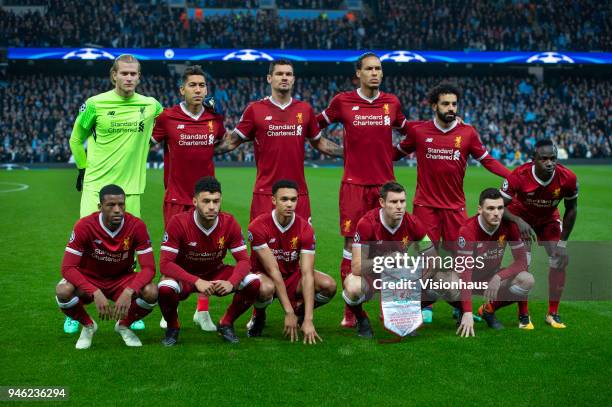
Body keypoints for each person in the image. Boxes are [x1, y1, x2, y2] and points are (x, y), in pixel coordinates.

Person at [393, 82, 510, 324]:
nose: (451, 108)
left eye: (454, 104)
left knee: (462, 258)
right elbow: (393, 154)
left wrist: (513, 176)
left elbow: (487, 160)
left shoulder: (468, 133)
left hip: (455, 208)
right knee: (428, 258)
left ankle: (460, 305)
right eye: (445, 103)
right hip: (426, 207)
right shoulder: (419, 131)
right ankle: (427, 305)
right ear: (434, 105)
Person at [66, 54, 162, 333]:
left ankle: (132, 313)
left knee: (129, 254)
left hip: (130, 191)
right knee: (86, 252)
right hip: (96, 188)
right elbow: (75, 138)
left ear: (139, 77)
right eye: (124, 73)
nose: (129, 78)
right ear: (114, 75)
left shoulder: (150, 105)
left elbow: (172, 123)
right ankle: (75, 310)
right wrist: (83, 169)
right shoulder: (95, 104)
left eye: (134, 74)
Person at [317, 52, 410, 328]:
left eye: (378, 69)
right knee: (351, 246)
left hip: (385, 188)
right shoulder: (342, 101)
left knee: (389, 248)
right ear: (357, 73)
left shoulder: (391, 103)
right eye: (369, 69)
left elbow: (410, 132)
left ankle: (387, 309)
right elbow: (312, 126)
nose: (375, 73)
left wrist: (396, 153)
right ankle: (350, 311)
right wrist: (337, 152)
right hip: (354, 187)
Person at [214, 59, 343, 222]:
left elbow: (320, 142)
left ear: (293, 79)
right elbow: (231, 142)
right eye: (279, 74)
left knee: (301, 246)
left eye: (288, 74)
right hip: (265, 193)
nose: (284, 78)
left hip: (297, 193)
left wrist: (348, 153)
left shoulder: (305, 110)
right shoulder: (255, 110)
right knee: (262, 245)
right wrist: (199, 150)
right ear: (269, 78)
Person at [152, 65, 225, 332]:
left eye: (202, 86)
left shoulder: (214, 119)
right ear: (182, 89)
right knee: (172, 255)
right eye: (192, 85)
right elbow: (146, 144)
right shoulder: (167, 118)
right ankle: (168, 308)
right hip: (176, 197)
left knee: (207, 254)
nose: (198, 90)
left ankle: (202, 311)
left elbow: (222, 142)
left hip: (207, 198)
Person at [157, 177, 260, 345]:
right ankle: (172, 328)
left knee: (253, 281)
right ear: (195, 201)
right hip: (186, 276)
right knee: (165, 287)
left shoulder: (229, 222)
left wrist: (231, 282)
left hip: (215, 272)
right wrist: (196, 281)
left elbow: (244, 261)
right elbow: (165, 264)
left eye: (216, 201)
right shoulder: (178, 222)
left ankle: (226, 323)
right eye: (206, 201)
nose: (212, 206)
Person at [55, 185, 158, 349]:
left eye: (121, 204)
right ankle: (88, 326)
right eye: (111, 205)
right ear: (100, 207)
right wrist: (94, 292)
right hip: (90, 278)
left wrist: (129, 290)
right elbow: (67, 268)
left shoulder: (136, 226)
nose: (117, 210)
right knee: (63, 291)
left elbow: (149, 268)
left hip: (121, 279)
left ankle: (124, 325)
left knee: (151, 292)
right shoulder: (84, 226)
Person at [246, 180, 337, 344]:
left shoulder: (305, 228)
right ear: (274, 200)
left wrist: (309, 318)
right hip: (265, 275)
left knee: (328, 285)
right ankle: (259, 316)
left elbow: (307, 273)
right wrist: (287, 312)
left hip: (292, 276)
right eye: (284, 199)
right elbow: (273, 270)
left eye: (293, 200)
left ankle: (300, 314)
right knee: (265, 288)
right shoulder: (257, 226)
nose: (289, 204)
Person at [500, 139, 578, 328]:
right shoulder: (519, 175)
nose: (549, 163)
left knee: (559, 259)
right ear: (533, 159)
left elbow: (572, 209)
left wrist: (563, 244)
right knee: (523, 263)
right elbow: (499, 205)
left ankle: (553, 313)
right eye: (544, 159)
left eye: (553, 158)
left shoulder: (568, 177)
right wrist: (518, 221)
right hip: (521, 217)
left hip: (548, 218)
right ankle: (523, 315)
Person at [343, 182, 433, 338]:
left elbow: (433, 257)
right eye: (393, 202)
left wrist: (419, 278)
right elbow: (357, 267)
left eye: (402, 201)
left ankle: (407, 314)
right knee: (352, 286)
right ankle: (362, 320)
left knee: (442, 281)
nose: (399, 206)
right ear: (382, 203)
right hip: (373, 276)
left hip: (399, 278)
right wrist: (386, 260)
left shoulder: (414, 223)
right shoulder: (367, 223)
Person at [455, 188, 533, 335]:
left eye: (500, 208)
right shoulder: (468, 229)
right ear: (480, 209)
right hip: (467, 279)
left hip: (491, 277)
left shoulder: (509, 226)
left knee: (526, 280)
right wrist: (467, 311)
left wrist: (498, 277)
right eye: (490, 208)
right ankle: (461, 310)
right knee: (447, 283)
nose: (496, 213)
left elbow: (522, 261)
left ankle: (488, 310)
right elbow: (465, 272)